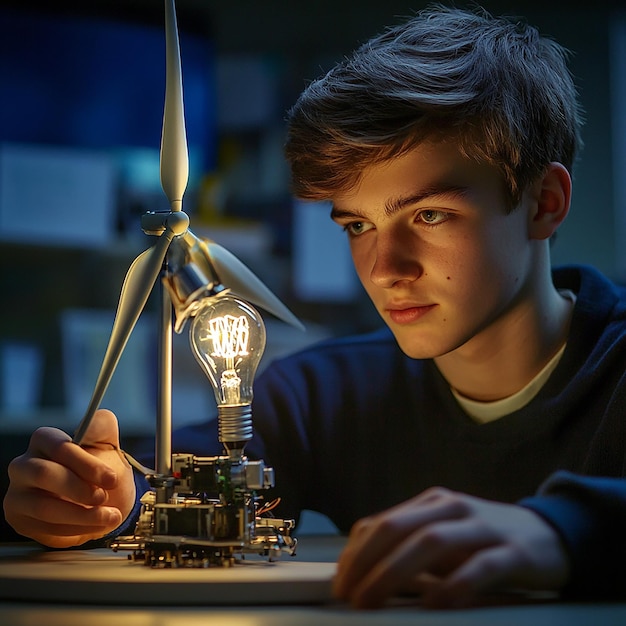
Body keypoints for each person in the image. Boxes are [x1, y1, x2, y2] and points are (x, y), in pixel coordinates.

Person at [4, 3, 626, 610]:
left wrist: (561, 531)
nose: (385, 270)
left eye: (429, 215)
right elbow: (184, 479)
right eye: (358, 225)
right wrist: (101, 498)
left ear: (544, 202)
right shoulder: (325, 395)